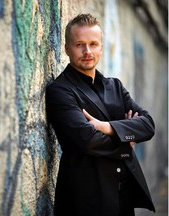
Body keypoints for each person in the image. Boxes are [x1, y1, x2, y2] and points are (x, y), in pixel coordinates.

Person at [46, 13, 155, 216]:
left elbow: (148, 125)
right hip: (86, 198)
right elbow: (86, 140)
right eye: (79, 44)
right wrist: (127, 139)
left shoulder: (115, 86)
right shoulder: (60, 90)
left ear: (101, 47)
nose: (87, 51)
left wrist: (108, 127)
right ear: (67, 48)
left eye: (93, 44)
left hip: (124, 194)